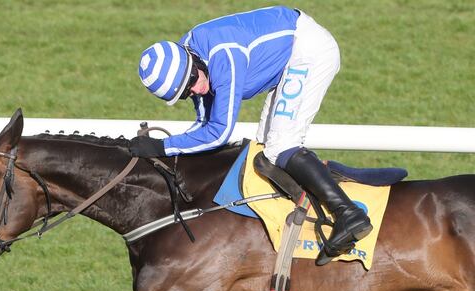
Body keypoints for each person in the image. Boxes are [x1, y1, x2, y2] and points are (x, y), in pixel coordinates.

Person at [131, 6, 371, 265]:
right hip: (288, 60)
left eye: (193, 80)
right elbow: (203, 124)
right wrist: (164, 152)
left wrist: (163, 146)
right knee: (267, 150)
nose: (199, 89)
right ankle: (301, 218)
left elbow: (219, 132)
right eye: (187, 93)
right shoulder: (188, 59)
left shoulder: (224, 56)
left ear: (192, 59)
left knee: (282, 146)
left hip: (308, 51)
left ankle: (349, 214)